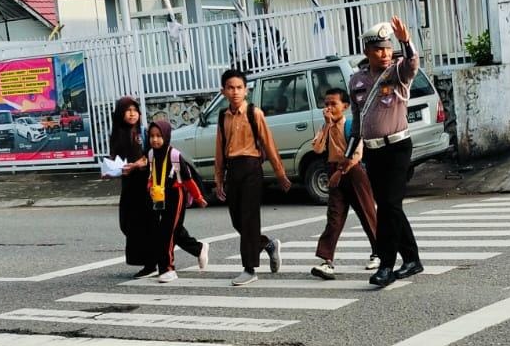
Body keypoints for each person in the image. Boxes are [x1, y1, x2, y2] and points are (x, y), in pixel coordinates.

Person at [350, 17, 423, 287]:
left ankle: (386, 265)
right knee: (389, 206)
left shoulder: (396, 73)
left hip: (397, 148)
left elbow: (412, 64)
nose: (384, 53)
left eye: (388, 48)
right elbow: (357, 119)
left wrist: (406, 41)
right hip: (373, 151)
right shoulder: (356, 81)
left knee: (389, 207)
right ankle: (412, 259)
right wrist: (351, 152)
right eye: (378, 49)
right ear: (367, 51)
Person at [213, 68, 290, 286]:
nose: (235, 92)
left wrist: (280, 173)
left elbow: (269, 144)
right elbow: (219, 149)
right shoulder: (223, 116)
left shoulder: (254, 113)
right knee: (237, 220)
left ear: (246, 90)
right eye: (230, 88)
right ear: (223, 91)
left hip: (251, 168)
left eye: (239, 87)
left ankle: (249, 268)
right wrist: (219, 179)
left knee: (249, 219)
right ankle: (267, 244)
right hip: (232, 170)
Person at [309, 87, 379, 279]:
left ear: (345, 106)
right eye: (326, 104)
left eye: (334, 104)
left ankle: (379, 252)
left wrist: (340, 172)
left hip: (352, 171)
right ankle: (326, 260)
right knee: (334, 217)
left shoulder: (350, 126)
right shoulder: (325, 127)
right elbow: (317, 149)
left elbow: (357, 154)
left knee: (366, 212)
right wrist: (326, 126)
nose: (329, 108)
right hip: (334, 170)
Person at [141, 120, 208, 282]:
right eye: (152, 136)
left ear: (166, 136)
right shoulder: (151, 154)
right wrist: (150, 187)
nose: (155, 139)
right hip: (159, 197)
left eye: (159, 136)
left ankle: (168, 269)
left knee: (166, 233)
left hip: (175, 196)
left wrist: (198, 197)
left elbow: (188, 180)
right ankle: (199, 248)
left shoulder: (174, 155)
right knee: (174, 231)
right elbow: (151, 175)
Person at [108, 96, 154, 278]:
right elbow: (115, 158)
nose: (132, 114)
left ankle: (150, 263)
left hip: (145, 184)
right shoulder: (117, 134)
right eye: (128, 110)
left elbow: (151, 155)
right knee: (127, 223)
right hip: (128, 185)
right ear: (120, 113)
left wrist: (136, 165)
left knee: (144, 224)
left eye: (135, 110)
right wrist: (109, 170)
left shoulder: (143, 132)